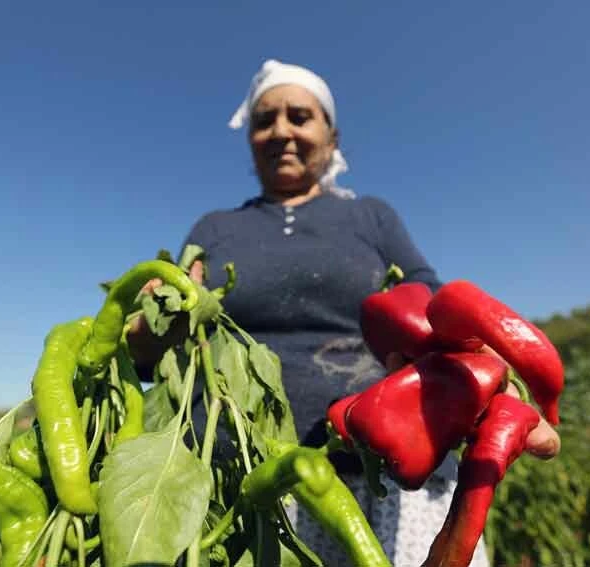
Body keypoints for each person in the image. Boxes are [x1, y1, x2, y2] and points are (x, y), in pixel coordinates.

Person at [134, 59, 560, 566]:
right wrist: (155, 316)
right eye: (265, 120)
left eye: (299, 116)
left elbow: (432, 305)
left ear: (331, 137)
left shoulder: (368, 217)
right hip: (243, 481)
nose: (282, 131)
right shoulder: (215, 227)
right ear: (250, 139)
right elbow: (148, 355)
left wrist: (486, 373)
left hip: (380, 471)